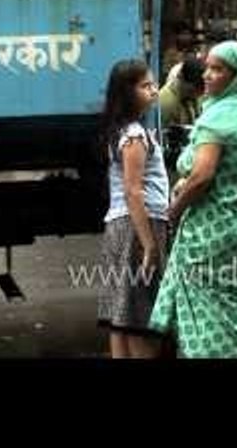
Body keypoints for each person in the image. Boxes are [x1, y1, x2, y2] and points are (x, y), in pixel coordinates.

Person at [149, 41, 237, 358]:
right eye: (207, 67)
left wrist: (173, 212)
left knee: (205, 311)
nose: (207, 75)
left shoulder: (220, 116)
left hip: (210, 230)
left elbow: (202, 176)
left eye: (218, 69)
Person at [98, 59, 170, 358]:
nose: (153, 90)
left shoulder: (122, 131)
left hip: (121, 226)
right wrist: (149, 244)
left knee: (121, 314)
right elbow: (133, 190)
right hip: (138, 225)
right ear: (126, 93)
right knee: (140, 315)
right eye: (144, 86)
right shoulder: (135, 136)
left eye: (153, 84)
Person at [159, 56, 204, 127]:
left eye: (201, 91)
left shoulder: (194, 97)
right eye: (192, 91)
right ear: (181, 77)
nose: (197, 94)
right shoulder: (166, 102)